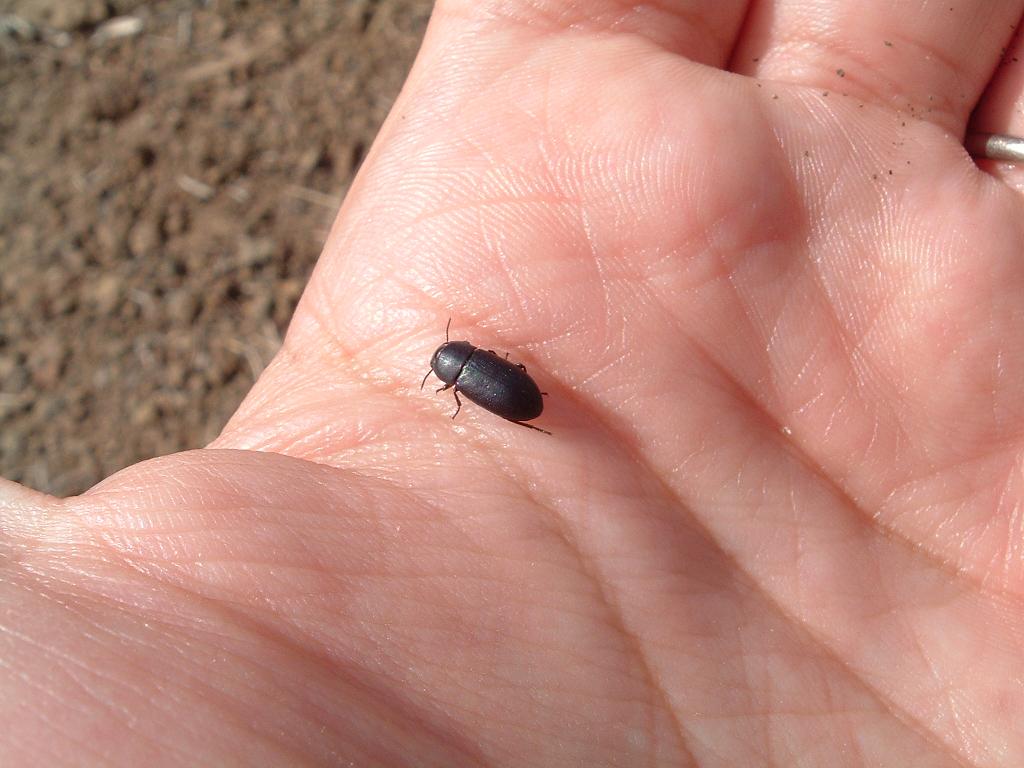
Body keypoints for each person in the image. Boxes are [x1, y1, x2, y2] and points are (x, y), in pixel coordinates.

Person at [3, 1, 1023, 764]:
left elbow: (508, 386)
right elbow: (516, 385)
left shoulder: (465, 378)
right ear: (465, 367)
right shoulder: (481, 372)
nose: (458, 363)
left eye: (453, 360)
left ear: (454, 368)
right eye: (458, 362)